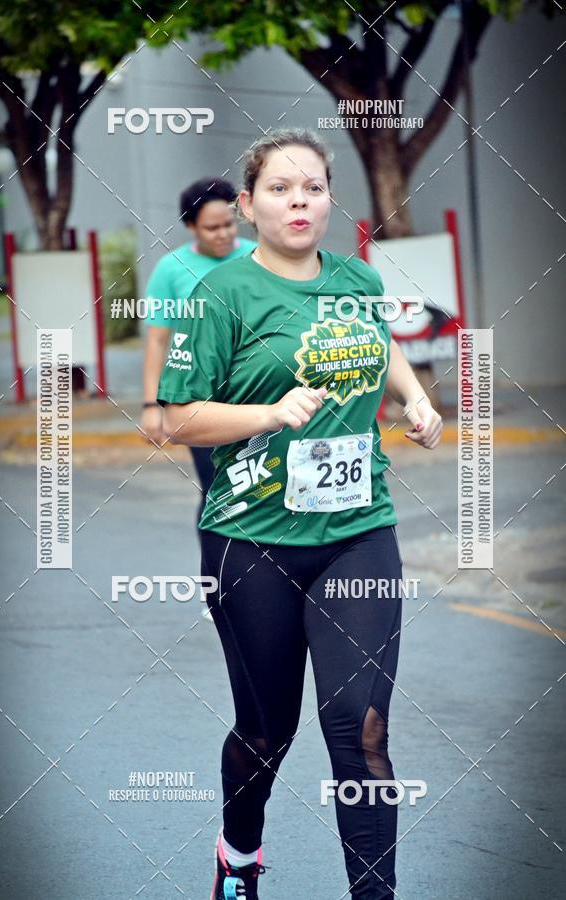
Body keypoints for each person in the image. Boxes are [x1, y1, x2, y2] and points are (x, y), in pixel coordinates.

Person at [157, 129, 443, 900]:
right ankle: (238, 857)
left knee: (361, 727)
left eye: (313, 187)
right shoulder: (219, 295)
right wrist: (268, 414)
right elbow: (177, 417)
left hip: (358, 532)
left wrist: (414, 399)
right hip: (251, 542)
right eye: (280, 189)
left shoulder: (357, 278)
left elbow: (379, 345)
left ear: (329, 200)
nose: (299, 202)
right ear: (249, 205)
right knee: (267, 731)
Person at [141, 178, 255, 523]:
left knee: (264, 491)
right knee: (218, 491)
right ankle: (220, 559)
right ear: (191, 227)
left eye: (229, 224)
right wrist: (151, 406)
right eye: (211, 228)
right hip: (201, 399)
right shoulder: (171, 270)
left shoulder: (258, 256)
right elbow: (158, 340)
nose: (223, 234)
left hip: (259, 391)